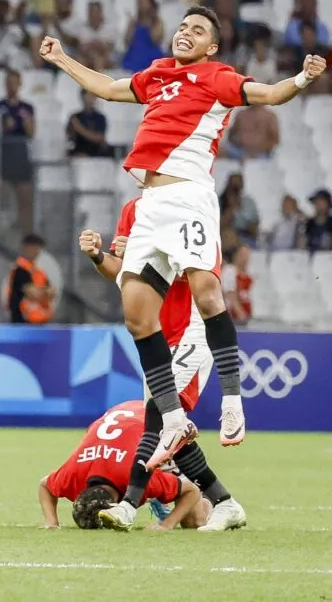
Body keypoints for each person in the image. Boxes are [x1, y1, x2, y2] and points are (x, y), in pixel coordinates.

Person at [40, 6, 327, 469]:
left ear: (212, 46)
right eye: (182, 27)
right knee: (137, 315)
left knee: (207, 291)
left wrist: (302, 78)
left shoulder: (217, 77)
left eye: (197, 30)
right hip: (150, 203)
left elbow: (270, 94)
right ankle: (173, 419)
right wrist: (61, 59)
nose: (185, 33)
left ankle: (232, 402)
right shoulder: (157, 74)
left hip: (189, 197)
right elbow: (108, 88)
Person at [78, 198, 247, 532]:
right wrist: (99, 256)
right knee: (171, 428)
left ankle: (128, 505)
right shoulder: (132, 209)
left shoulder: (191, 202)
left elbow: (202, 274)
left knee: (157, 416)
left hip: (193, 330)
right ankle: (225, 503)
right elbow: (121, 274)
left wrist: (147, 253)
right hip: (157, 337)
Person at [38, 400, 205, 531]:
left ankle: (215, 503)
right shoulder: (73, 476)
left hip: (159, 424)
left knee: (195, 521)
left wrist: (166, 525)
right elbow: (45, 485)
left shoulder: (131, 476)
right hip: (126, 419)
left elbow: (192, 491)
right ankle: (161, 490)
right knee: (150, 479)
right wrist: (52, 523)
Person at [0, 70, 36, 236]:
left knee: (24, 192)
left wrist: (25, 122)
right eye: (9, 83)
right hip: (4, 149)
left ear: (20, 85)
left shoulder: (27, 108)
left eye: (15, 83)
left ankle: (25, 229)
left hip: (20, 150)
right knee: (2, 190)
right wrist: (4, 126)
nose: (12, 86)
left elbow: (31, 132)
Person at [3, 234, 54, 324]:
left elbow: (52, 291)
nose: (36, 251)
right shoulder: (19, 269)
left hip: (39, 320)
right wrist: (44, 291)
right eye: (33, 247)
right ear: (25, 248)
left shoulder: (38, 271)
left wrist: (41, 291)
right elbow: (34, 294)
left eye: (38, 248)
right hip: (21, 321)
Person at [122, 0, 166, 72]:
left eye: (145, 2)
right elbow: (127, 41)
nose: (142, 5)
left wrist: (150, 24)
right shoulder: (134, 22)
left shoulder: (157, 22)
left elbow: (156, 40)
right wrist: (131, 26)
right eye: (140, 2)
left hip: (151, 56)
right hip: (135, 56)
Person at [67, 91, 112, 157]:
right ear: (83, 97)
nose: (91, 98)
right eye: (88, 96)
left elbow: (99, 138)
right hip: (78, 154)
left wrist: (79, 128)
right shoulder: (76, 116)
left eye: (93, 96)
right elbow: (69, 137)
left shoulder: (100, 117)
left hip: (95, 155)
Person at [222, 244, 253, 326]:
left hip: (246, 312)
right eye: (242, 255)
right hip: (233, 315)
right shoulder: (229, 270)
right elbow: (230, 293)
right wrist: (240, 313)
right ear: (236, 256)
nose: (245, 258)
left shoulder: (247, 272)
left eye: (247, 255)